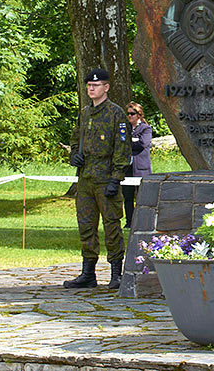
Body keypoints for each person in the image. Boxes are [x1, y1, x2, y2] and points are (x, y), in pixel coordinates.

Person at [64, 68, 131, 290]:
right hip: (86, 179)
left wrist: (116, 177)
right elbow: (76, 137)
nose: (91, 88)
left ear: (106, 87)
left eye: (96, 85)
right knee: (86, 225)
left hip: (106, 178)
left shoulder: (116, 113)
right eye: (89, 86)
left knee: (112, 226)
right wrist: (74, 154)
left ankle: (116, 273)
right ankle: (88, 273)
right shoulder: (85, 113)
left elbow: (122, 147)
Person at [123, 101, 152, 229]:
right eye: (128, 114)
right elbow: (120, 144)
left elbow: (143, 144)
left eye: (132, 114)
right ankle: (129, 222)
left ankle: (142, 222)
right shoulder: (124, 128)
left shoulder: (146, 128)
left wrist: (130, 142)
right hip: (127, 168)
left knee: (142, 197)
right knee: (127, 196)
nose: (129, 116)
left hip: (141, 168)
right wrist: (133, 141)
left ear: (139, 115)